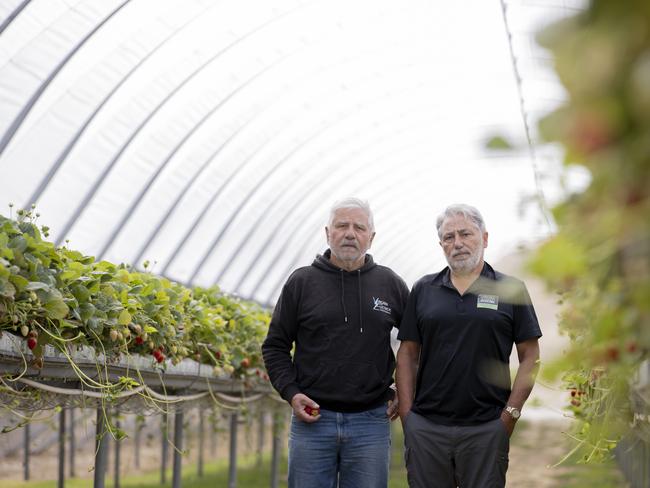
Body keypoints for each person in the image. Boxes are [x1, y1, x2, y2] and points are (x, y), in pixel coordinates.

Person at [262, 197, 409, 488]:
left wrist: (402, 390)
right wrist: (291, 393)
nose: (350, 233)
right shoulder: (302, 282)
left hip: (371, 422)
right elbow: (275, 345)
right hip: (313, 420)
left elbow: (416, 344)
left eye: (359, 227)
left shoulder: (390, 284)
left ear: (372, 237)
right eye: (342, 226)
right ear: (328, 233)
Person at [396, 204, 541, 488]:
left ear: (484, 238)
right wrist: (407, 416)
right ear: (441, 245)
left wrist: (509, 416)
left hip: (487, 427)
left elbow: (530, 356)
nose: (457, 243)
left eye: (466, 234)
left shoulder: (510, 290)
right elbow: (407, 354)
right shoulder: (424, 289)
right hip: (427, 428)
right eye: (449, 237)